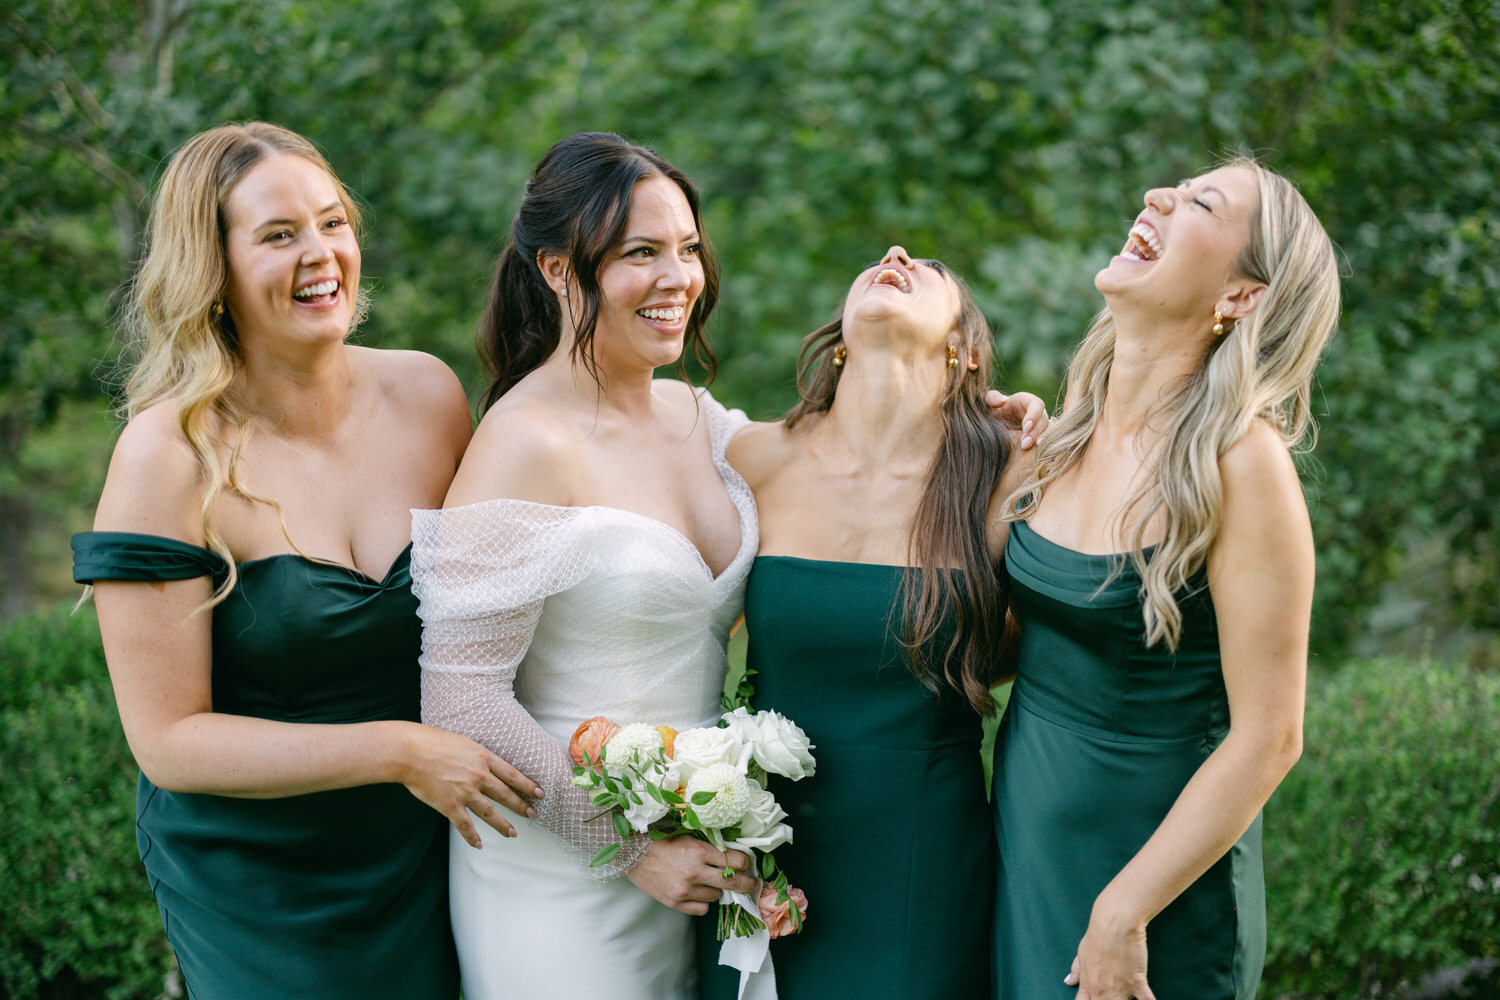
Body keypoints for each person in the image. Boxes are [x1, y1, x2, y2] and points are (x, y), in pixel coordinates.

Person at [71, 122, 541, 999]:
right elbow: (170, 743)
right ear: (212, 271)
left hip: (432, 847)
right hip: (258, 883)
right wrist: (401, 750)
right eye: (279, 235)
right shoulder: (166, 457)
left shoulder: (427, 395)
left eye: (332, 223)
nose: (320, 254)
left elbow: (503, 609)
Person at [409, 132, 762, 1000]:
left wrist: (977, 422)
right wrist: (633, 850)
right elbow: (461, 702)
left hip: (695, 860)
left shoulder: (702, 418)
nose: (678, 277)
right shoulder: (524, 443)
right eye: (641, 253)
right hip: (557, 877)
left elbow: (840, 467)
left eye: (687, 249)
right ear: (560, 269)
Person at [990, 158, 1341, 1000]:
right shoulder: (1061, 435)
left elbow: (1270, 736)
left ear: (1241, 296)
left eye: (1200, 204)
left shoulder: (1243, 466)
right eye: (1174, 187)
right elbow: (999, 651)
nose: (1157, 197)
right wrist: (985, 476)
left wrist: (1124, 910)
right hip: (1028, 849)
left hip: (1155, 895)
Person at [696, 245, 1048, 999]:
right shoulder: (754, 458)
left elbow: (1041, 643)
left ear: (966, 347)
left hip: (922, 858)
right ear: (840, 336)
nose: (894, 255)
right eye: (882, 260)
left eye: (930, 266)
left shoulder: (1009, 471)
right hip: (761, 852)